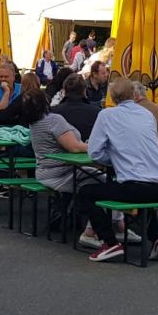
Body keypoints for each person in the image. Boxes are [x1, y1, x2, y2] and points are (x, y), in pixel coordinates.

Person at [73, 77, 158, 263]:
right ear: (134, 94)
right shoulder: (146, 115)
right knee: (141, 192)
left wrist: (113, 159)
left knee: (86, 193)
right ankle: (157, 238)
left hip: (136, 186)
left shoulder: (106, 115)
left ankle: (109, 242)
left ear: (112, 96)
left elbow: (94, 153)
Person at [21, 87, 95, 239]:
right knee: (105, 184)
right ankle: (99, 228)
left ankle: (107, 225)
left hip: (44, 172)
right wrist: (94, 146)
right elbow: (74, 147)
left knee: (95, 181)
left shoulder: (34, 124)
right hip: (62, 173)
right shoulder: (54, 120)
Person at [51, 73, 100, 140]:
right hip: (88, 146)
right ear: (84, 91)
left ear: (64, 91)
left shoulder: (52, 113)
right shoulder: (97, 113)